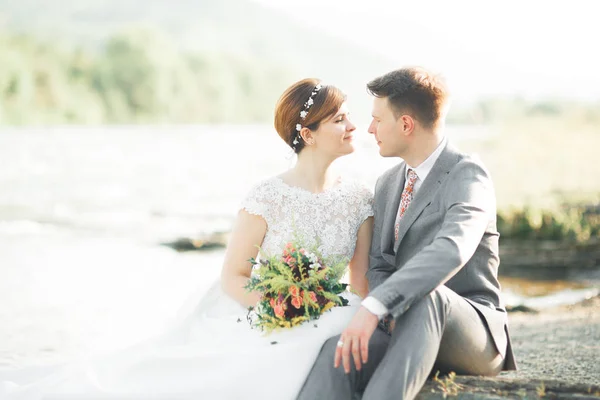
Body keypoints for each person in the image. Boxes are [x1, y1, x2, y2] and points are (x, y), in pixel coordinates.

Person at [0, 79, 374, 399]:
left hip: (323, 309)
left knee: (336, 323)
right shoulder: (268, 196)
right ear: (308, 134)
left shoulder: (359, 200)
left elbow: (360, 285)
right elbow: (233, 277)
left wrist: (321, 310)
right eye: (340, 119)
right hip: (255, 310)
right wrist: (280, 310)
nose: (353, 126)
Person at [297, 67, 517, 400]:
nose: (369, 129)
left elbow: (451, 249)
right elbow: (381, 264)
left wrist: (375, 306)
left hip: (472, 332)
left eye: (377, 120)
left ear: (405, 125)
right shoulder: (387, 185)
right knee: (338, 350)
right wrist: (385, 313)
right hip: (404, 326)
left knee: (430, 297)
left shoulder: (468, 175)